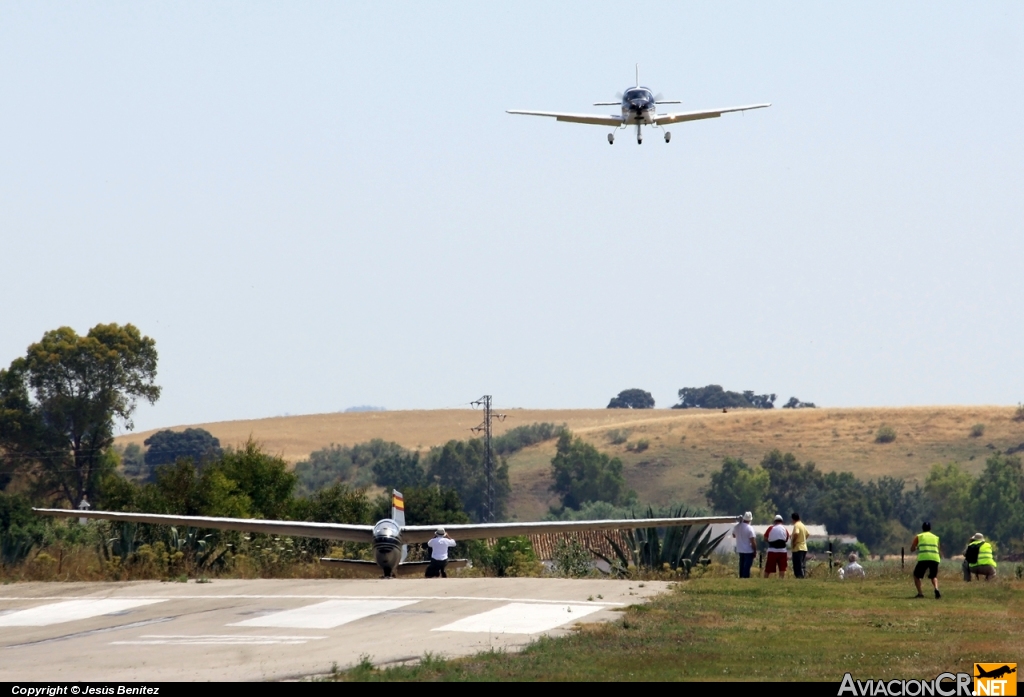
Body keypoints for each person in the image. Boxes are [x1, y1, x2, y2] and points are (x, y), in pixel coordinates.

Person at [910, 521, 941, 599]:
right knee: (934, 576)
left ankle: (920, 593)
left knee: (916, 575)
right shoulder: (935, 537)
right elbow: (938, 547)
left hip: (924, 558)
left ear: (922, 528)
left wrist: (917, 547)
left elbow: (912, 549)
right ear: (930, 528)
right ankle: (936, 589)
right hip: (935, 558)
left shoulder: (919, 536)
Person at [764, 514, 790, 578]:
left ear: (775, 521)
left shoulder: (771, 528)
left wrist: (770, 541)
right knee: (782, 568)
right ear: (782, 521)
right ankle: (781, 579)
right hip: (782, 551)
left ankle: (765, 579)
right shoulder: (785, 529)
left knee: (768, 568)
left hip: (772, 551)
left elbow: (765, 538)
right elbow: (786, 539)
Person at [732, 511, 757, 578]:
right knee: (747, 566)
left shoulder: (737, 527)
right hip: (748, 550)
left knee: (741, 565)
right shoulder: (750, 528)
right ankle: (745, 577)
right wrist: (755, 550)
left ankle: (741, 576)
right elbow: (753, 541)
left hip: (740, 549)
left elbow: (734, 535)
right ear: (750, 520)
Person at [790, 512, 809, 579]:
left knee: (797, 565)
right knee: (802, 564)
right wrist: (803, 540)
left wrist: (794, 542)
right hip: (804, 547)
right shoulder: (802, 525)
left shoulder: (796, 525)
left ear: (793, 519)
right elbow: (807, 534)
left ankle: (799, 577)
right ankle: (802, 576)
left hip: (797, 548)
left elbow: (796, 533)